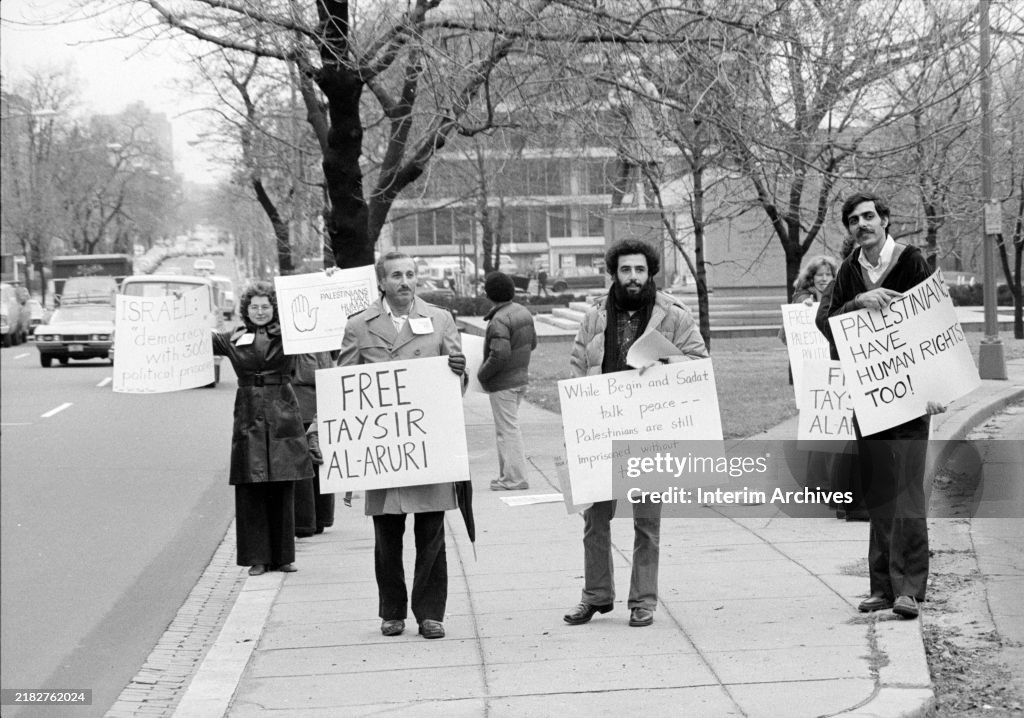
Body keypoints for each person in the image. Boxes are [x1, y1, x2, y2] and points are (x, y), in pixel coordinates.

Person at [313, 252, 466, 640]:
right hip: (385, 450)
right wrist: (328, 430)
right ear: (381, 282)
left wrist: (458, 373)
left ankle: (431, 613)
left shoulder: (440, 319)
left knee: (432, 534)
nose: (404, 281)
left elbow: (455, 385)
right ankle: (392, 612)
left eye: (411, 274)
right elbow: (345, 387)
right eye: (396, 275)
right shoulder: (359, 326)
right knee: (387, 537)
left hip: (428, 444)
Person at [563, 239, 708, 629]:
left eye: (639, 270)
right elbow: (577, 367)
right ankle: (595, 596)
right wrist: (576, 427)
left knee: (646, 522)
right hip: (601, 430)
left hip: (649, 430)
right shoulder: (594, 317)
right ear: (614, 273)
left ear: (650, 274)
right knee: (595, 520)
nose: (632, 277)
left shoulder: (674, 315)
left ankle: (643, 601)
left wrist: (665, 360)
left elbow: (698, 363)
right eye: (625, 270)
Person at [816, 191, 946, 620]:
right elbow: (825, 319)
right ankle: (882, 588)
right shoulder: (850, 270)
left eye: (869, 216)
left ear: (885, 220)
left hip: (910, 394)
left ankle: (909, 588)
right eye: (854, 220)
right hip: (871, 394)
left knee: (907, 490)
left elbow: (934, 321)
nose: (862, 224)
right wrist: (858, 302)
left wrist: (938, 385)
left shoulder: (911, 261)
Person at [213, 281, 314, 576]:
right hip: (248, 411)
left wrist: (329, 280)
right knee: (251, 487)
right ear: (246, 310)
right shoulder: (233, 337)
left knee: (282, 484)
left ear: (274, 308)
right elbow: (196, 339)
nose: (260, 312)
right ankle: (257, 557)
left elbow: (324, 323)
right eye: (254, 307)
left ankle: (283, 556)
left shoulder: (291, 335)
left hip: (281, 408)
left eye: (265, 306)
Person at [478, 271, 538, 491]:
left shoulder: (499, 320)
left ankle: (515, 479)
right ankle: (507, 476)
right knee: (506, 429)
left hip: (504, 383)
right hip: (521, 378)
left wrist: (482, 374)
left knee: (508, 431)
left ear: (489, 294)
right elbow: (532, 344)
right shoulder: (523, 312)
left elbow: (499, 355)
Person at [292, 351, 337, 537]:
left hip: (300, 401)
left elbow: (304, 372)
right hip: (322, 398)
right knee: (319, 460)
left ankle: (305, 522)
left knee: (302, 462)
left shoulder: (290, 335)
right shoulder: (323, 332)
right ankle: (321, 518)